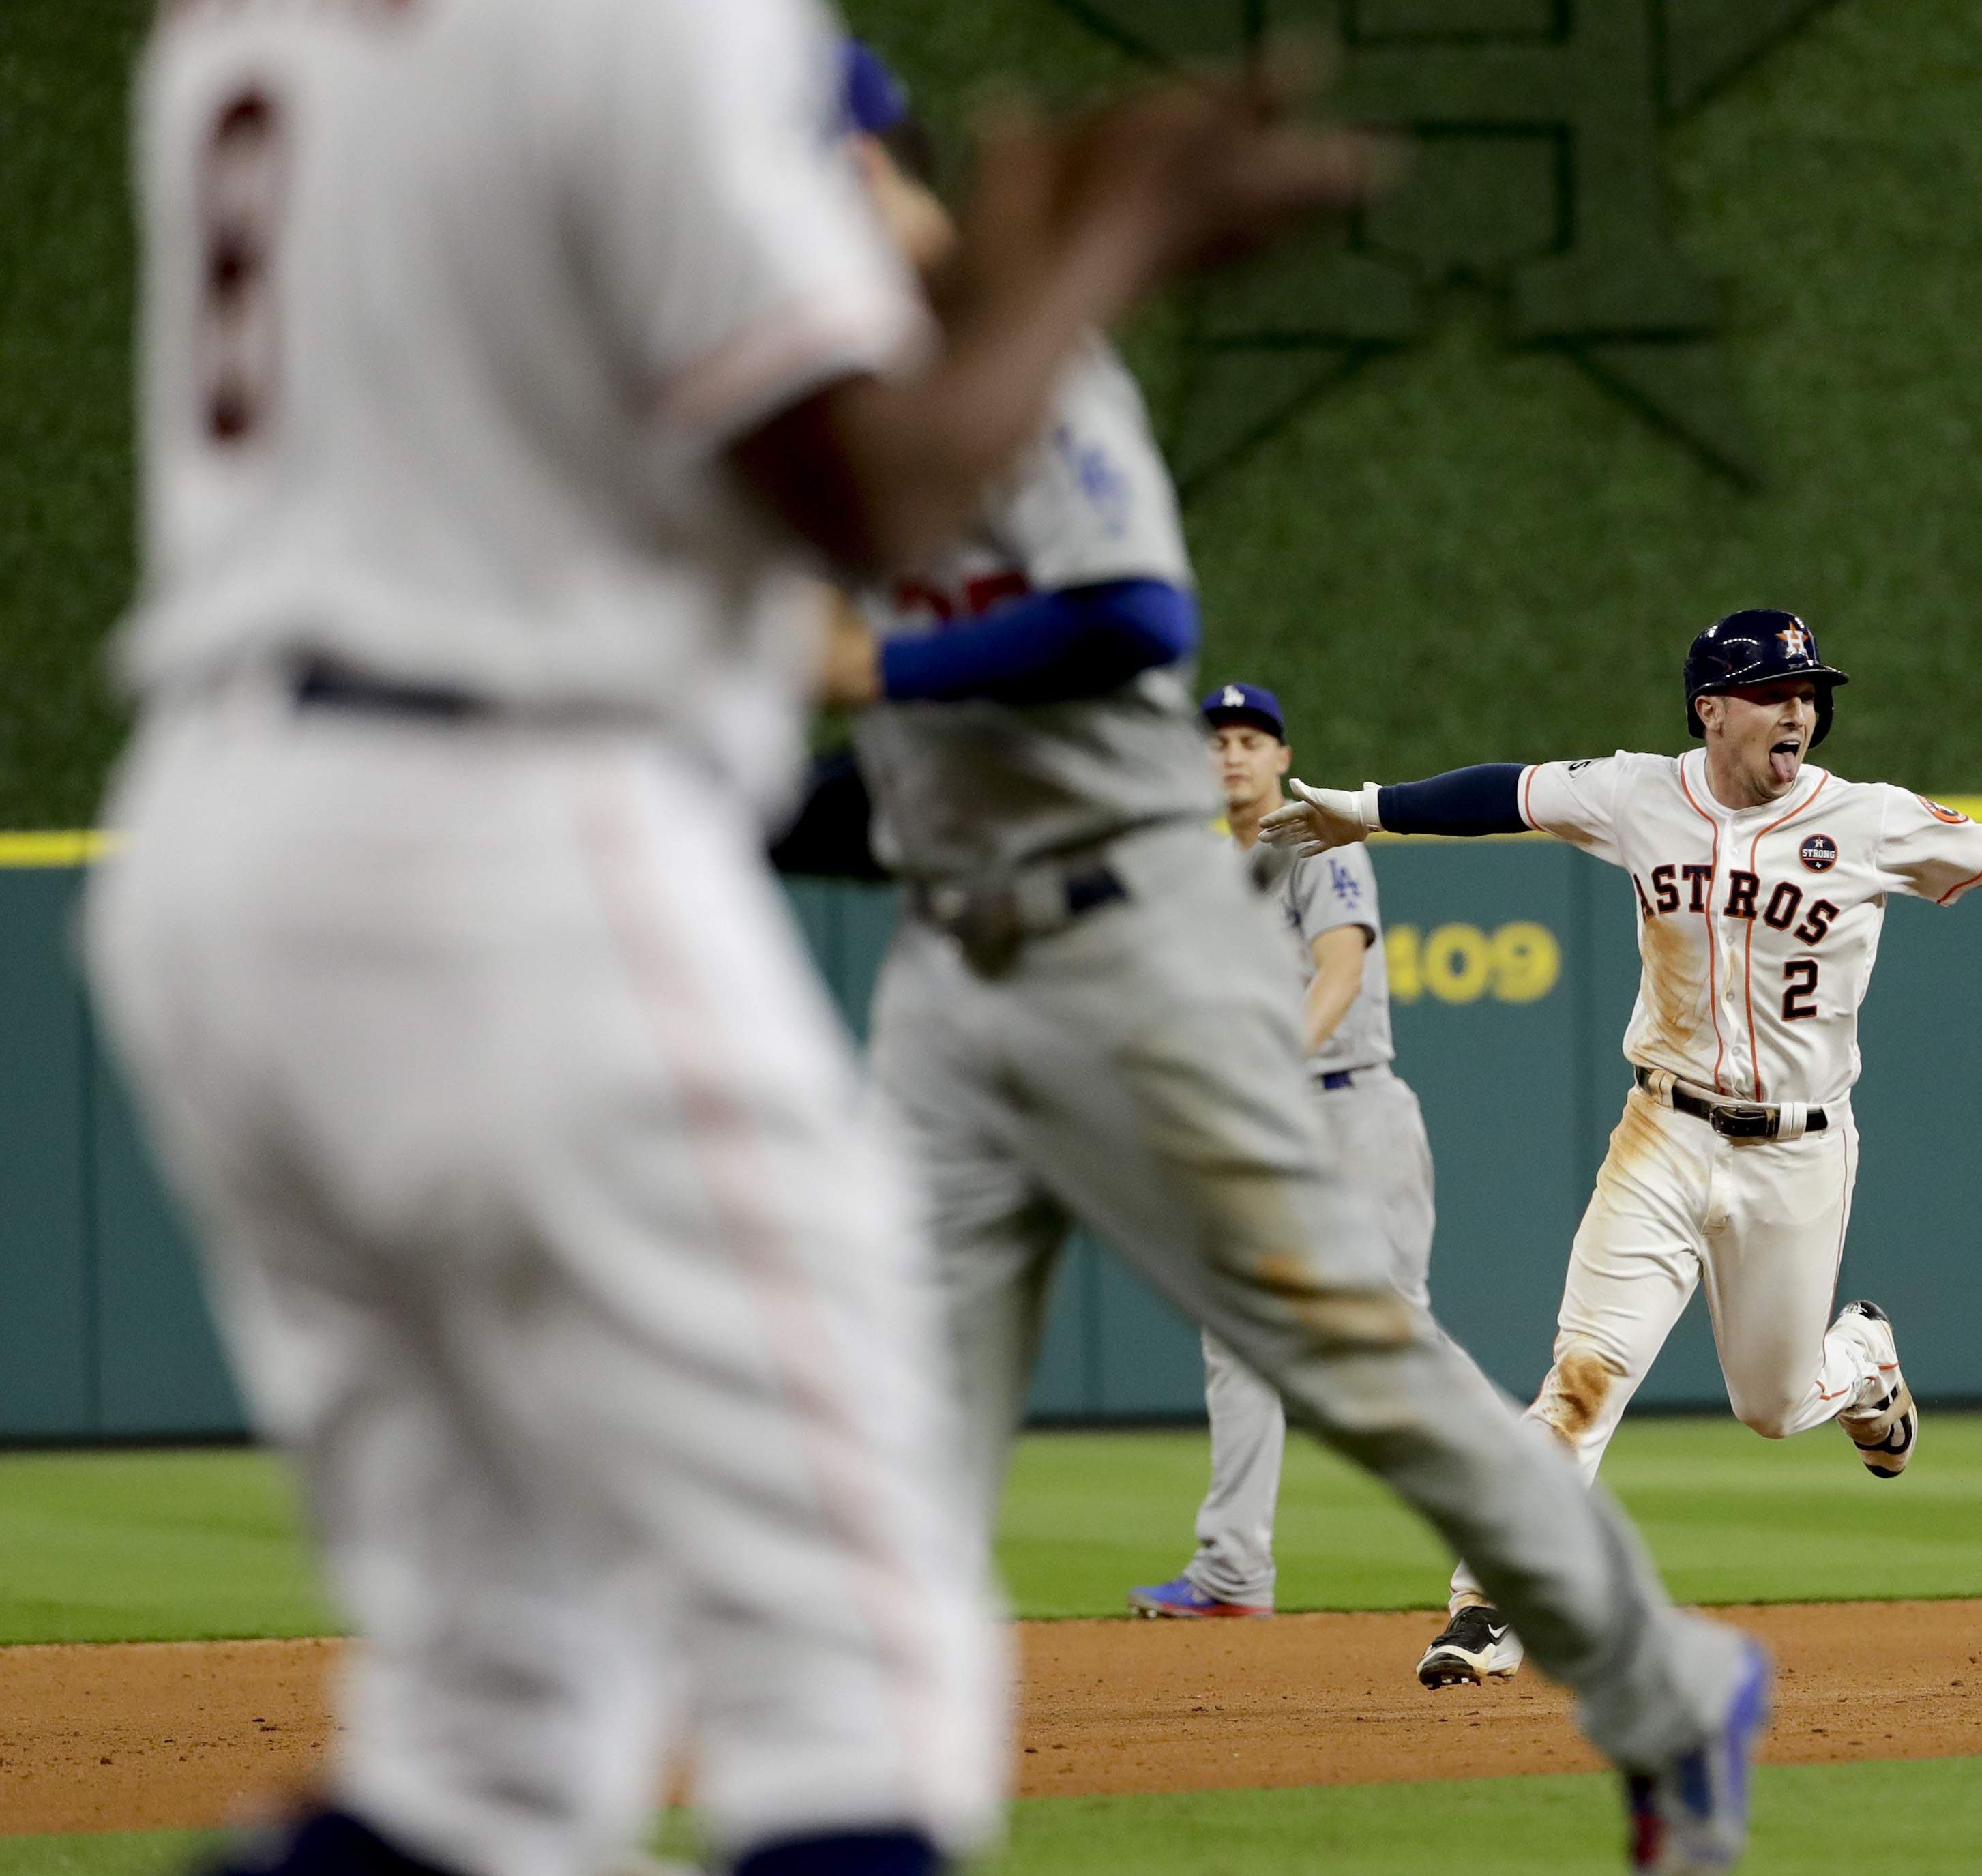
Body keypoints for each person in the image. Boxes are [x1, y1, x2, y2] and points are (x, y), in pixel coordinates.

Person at [88, 5, 1374, 1876]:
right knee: (866, 1683)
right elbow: (859, 481)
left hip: (226, 842)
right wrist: (1112, 240)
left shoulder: (240, 27)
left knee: (489, 1732)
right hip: (516, 841)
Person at [807, 78, 1771, 1873]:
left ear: (862, 167)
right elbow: (892, 764)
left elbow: (1130, 624)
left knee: (1355, 1353)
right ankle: (863, 1819)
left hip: (1125, 950)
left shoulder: (1024, 370)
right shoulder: (811, 398)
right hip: (950, 974)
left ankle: (1664, 1679)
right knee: (885, 1430)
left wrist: (864, 669)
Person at [1258, 609, 1982, 1687]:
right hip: (1662, 1128)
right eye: (1774, 690)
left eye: (1809, 690)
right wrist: (1369, 811)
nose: (1799, 707)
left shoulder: (1870, 819)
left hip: (1798, 1152)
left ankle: (1864, 1362)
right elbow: (1507, 791)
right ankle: (1488, 1603)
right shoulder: (1637, 792)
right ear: (1711, 710)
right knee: (1583, 1373)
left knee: (1771, 1403)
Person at [1123, 682, 1437, 1619]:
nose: (1231, 753)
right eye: (1216, 738)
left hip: (1350, 1109)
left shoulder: (1310, 836)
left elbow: (1340, 969)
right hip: (1264, 1122)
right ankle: (1231, 1571)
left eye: (1251, 737)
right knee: (1239, 1336)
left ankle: (1534, 1534)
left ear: (1282, 758)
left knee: (1398, 1340)